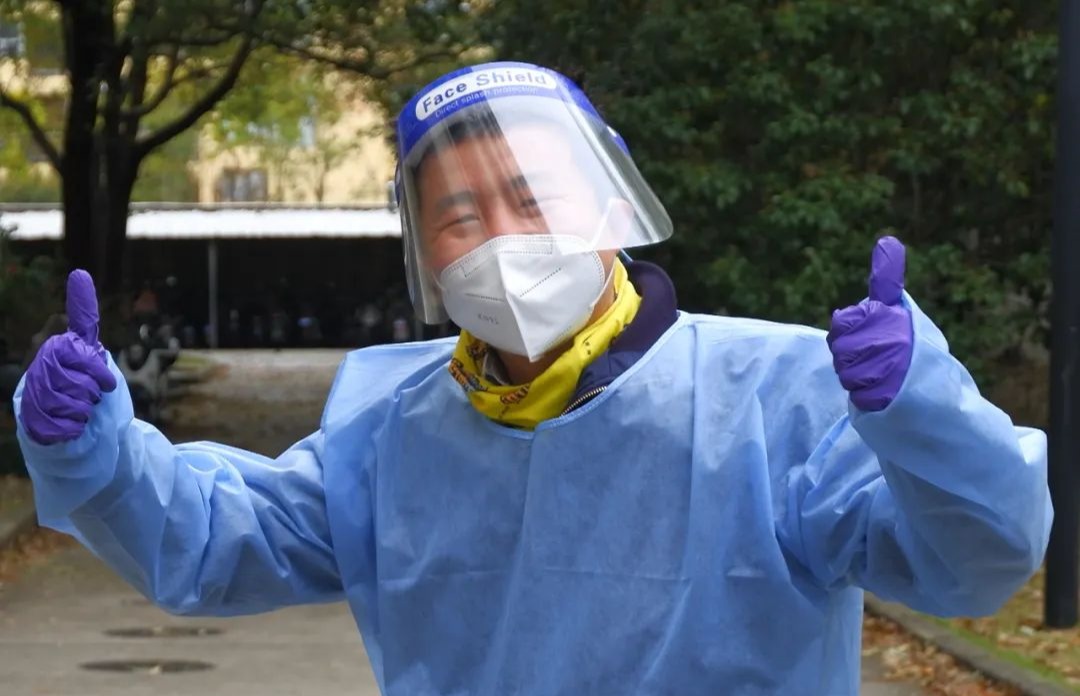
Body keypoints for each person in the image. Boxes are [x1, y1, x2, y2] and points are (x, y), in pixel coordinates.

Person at [13, 62, 1051, 695]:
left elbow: (977, 562)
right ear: (422, 252)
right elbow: (210, 543)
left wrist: (923, 410)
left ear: (606, 201)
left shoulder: (777, 397)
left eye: (533, 197)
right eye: (458, 215)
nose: (502, 238)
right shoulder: (392, 431)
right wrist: (91, 445)